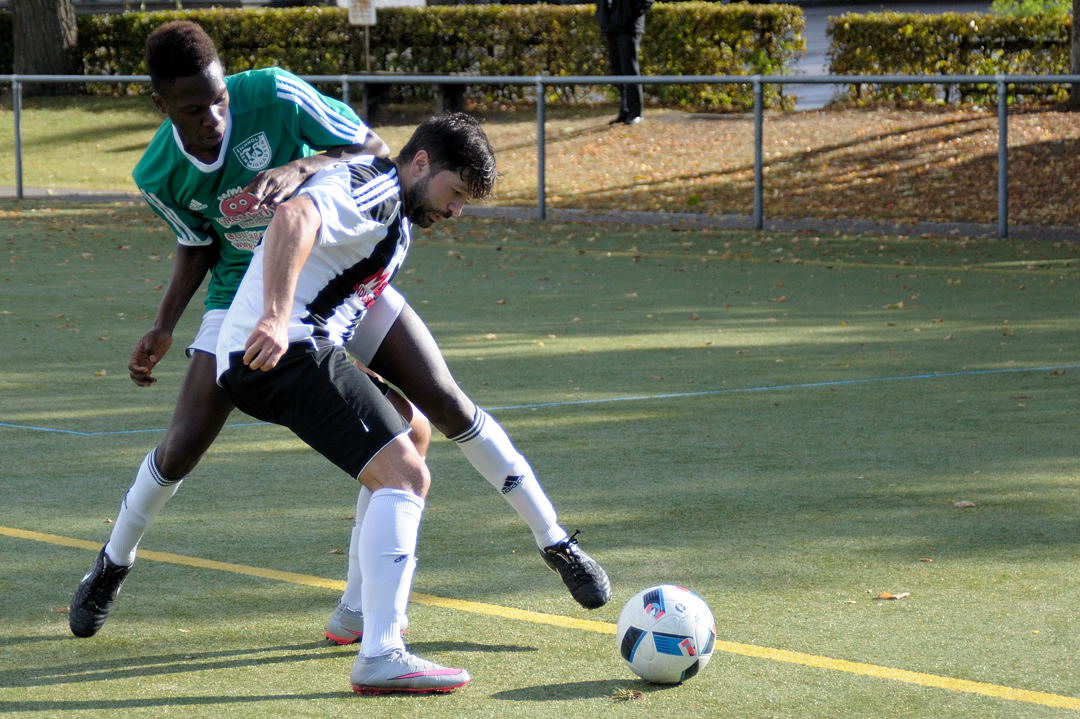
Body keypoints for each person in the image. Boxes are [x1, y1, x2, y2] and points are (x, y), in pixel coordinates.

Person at [69, 20, 608, 642]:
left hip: (338, 274)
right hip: (251, 300)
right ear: (161, 105)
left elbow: (374, 150)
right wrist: (164, 326)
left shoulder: (272, 91)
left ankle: (553, 541)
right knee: (182, 446)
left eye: (220, 99)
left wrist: (302, 165)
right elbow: (197, 248)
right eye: (196, 109)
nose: (216, 116)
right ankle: (111, 564)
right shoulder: (157, 173)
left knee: (439, 406)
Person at [215, 112, 497, 693]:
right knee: (406, 477)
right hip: (283, 347)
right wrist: (272, 314)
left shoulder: (388, 200)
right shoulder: (376, 187)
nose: (456, 211)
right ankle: (382, 651)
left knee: (412, 434)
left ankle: (355, 614)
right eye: (456, 193)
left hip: (302, 344)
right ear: (421, 163)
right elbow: (294, 216)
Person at [596, 0, 653, 125]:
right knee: (617, 70)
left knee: (629, 68)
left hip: (628, 27)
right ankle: (625, 110)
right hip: (611, 26)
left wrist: (629, 15)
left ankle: (635, 112)